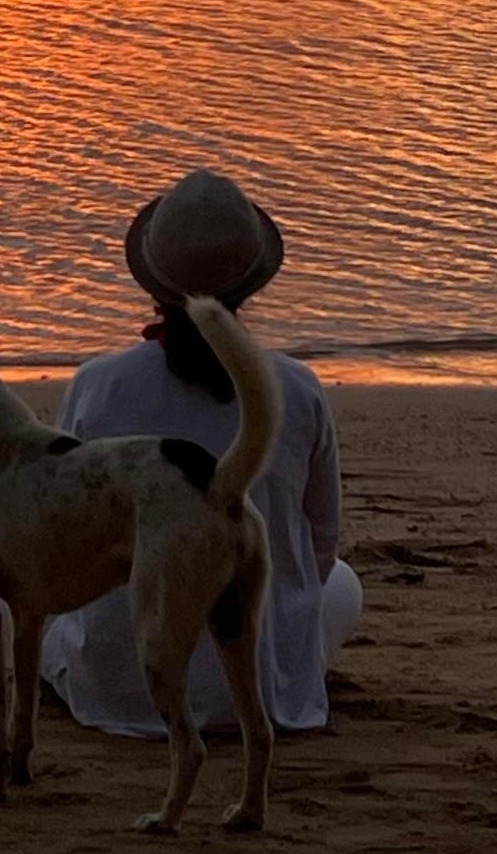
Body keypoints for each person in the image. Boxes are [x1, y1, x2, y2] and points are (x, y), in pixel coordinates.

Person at [40, 168, 359, 738]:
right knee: (341, 587)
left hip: (121, 685)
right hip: (256, 679)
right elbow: (320, 547)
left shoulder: (97, 385)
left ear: (153, 283)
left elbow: (65, 536)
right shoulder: (296, 387)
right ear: (252, 286)